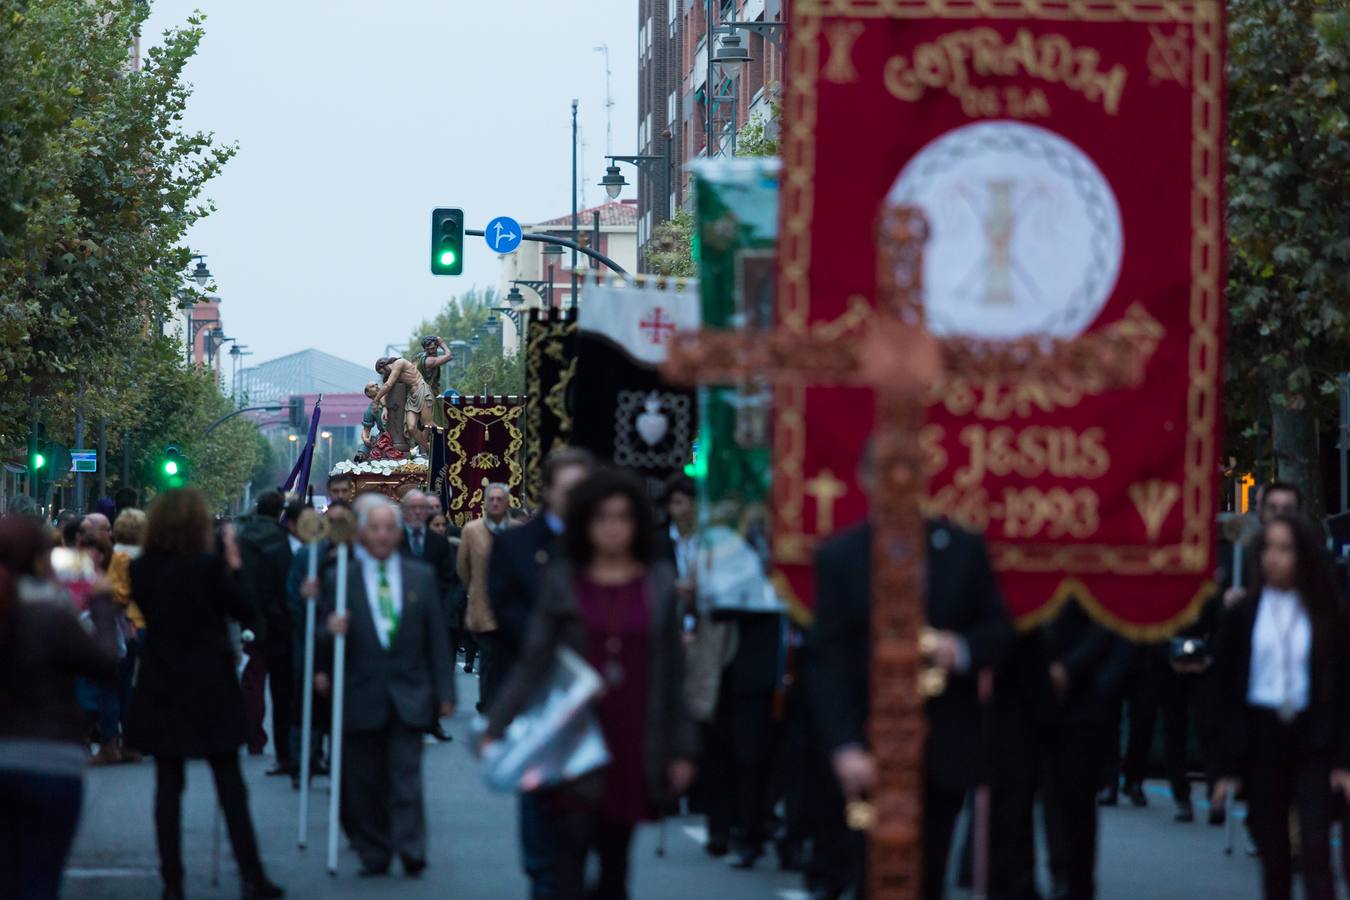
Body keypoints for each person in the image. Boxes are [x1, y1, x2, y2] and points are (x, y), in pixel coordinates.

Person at [808, 444, 1015, 900]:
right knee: (874, 876)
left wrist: (958, 648)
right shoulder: (840, 557)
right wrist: (844, 746)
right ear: (865, 479)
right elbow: (828, 662)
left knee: (928, 877)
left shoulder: (962, 548)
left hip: (942, 744)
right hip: (868, 745)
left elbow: (998, 631)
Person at [484, 469, 698, 900]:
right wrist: (497, 724)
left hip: (634, 734)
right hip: (573, 737)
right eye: (602, 518)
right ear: (587, 523)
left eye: (623, 517)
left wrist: (683, 748)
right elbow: (535, 661)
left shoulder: (656, 583)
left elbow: (674, 674)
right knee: (568, 858)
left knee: (616, 867)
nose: (614, 527)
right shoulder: (564, 580)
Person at [125, 489, 284, 900]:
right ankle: (252, 875)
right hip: (210, 682)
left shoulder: (142, 569)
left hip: (162, 682)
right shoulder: (210, 568)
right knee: (229, 783)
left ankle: (172, 882)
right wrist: (233, 567)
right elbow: (245, 609)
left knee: (168, 784)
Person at [308, 494, 455, 878]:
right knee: (364, 780)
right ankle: (374, 847)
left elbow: (436, 638)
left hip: (409, 692)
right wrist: (329, 629)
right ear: (361, 533)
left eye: (389, 528)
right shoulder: (341, 578)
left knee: (406, 776)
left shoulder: (419, 576)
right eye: (374, 528)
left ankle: (411, 846)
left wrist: (445, 691)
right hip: (360, 691)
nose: (382, 535)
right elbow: (321, 631)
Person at [1212, 514, 1350, 900]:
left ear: (1302, 556)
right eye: (1267, 549)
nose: (1274, 558)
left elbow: (1340, 689)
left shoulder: (1326, 614)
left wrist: (1342, 762)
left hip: (1313, 743)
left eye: (1284, 549)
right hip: (1262, 742)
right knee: (1275, 858)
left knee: (1315, 850)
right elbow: (1225, 692)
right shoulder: (1244, 614)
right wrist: (1224, 768)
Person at [486, 448, 594, 899]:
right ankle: (545, 880)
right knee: (542, 800)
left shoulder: (609, 541)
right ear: (547, 492)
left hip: (597, 693)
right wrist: (550, 647)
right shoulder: (516, 545)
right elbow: (505, 606)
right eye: (569, 490)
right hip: (540, 693)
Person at [0, 516, 119, 900]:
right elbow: (104, 662)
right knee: (39, 875)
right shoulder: (50, 615)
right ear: (39, 561)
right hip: (50, 761)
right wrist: (102, 603)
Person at [235, 491, 297, 772]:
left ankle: (253, 736)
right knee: (282, 685)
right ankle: (286, 745)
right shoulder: (284, 539)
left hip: (250, 615)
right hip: (279, 619)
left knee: (253, 680)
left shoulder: (242, 537)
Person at [399, 489, 458, 742]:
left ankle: (432, 721)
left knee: (431, 668)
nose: (417, 513)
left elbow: (448, 576)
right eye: (411, 509)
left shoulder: (438, 542)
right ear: (404, 511)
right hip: (400, 615)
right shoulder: (395, 538)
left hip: (431, 612)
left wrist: (436, 605)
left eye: (421, 509)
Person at [458, 482, 518, 712]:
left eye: (499, 499)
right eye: (490, 499)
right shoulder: (472, 530)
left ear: (506, 502)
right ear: (484, 502)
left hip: (511, 607)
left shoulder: (515, 529)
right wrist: (472, 589)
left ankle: (506, 702)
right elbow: (463, 567)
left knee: (508, 659)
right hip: (482, 605)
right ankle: (487, 703)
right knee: (489, 658)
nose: (494, 503)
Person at [76, 531, 125, 765]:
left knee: (105, 693)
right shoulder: (75, 575)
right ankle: (88, 740)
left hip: (105, 643)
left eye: (93, 549)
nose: (87, 553)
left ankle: (108, 743)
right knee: (89, 692)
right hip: (84, 643)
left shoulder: (108, 576)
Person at [107, 508, 148, 762]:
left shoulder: (117, 557)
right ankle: (137, 740)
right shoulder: (148, 556)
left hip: (125, 624)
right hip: (146, 623)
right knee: (137, 685)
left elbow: (116, 594)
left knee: (117, 685)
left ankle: (116, 740)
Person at [374, 357, 436, 456]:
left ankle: (445, 442)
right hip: (412, 398)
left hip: (421, 390)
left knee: (427, 423)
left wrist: (376, 401)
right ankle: (430, 447)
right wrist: (384, 407)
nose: (385, 374)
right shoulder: (394, 373)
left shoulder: (399, 363)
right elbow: (386, 392)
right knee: (411, 427)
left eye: (383, 372)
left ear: (384, 365)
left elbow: (388, 385)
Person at [415, 335, 454, 430]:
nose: (432, 351)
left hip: (427, 392)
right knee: (435, 421)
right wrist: (442, 343)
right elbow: (449, 356)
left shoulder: (421, 357)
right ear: (425, 349)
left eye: (433, 348)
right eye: (429, 349)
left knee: (432, 422)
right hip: (427, 394)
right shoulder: (429, 361)